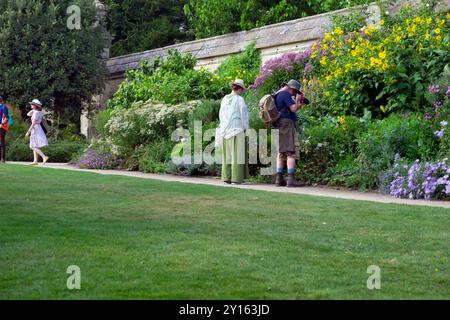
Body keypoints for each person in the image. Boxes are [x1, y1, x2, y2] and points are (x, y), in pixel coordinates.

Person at [273, 79, 308, 187]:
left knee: (281, 151)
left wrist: (299, 103)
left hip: (279, 124)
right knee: (291, 151)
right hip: (287, 124)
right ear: (292, 88)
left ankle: (279, 179)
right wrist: (297, 100)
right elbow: (293, 109)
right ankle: (291, 179)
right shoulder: (285, 94)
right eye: (295, 92)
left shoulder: (277, 94)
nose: (295, 94)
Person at [218, 79, 250, 185]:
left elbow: (221, 114)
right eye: (242, 90)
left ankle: (227, 177)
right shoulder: (239, 99)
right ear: (239, 89)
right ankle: (236, 178)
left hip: (225, 130)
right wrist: (246, 128)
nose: (242, 92)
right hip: (237, 129)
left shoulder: (224, 99)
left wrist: (222, 127)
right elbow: (244, 114)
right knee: (237, 155)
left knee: (227, 155)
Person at [25, 99, 49, 165]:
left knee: (32, 146)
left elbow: (33, 123)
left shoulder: (36, 113)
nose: (31, 105)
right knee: (35, 145)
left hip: (35, 128)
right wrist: (33, 109)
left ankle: (44, 157)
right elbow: (28, 114)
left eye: (32, 104)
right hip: (37, 128)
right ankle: (35, 161)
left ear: (35, 105)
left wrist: (28, 132)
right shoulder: (37, 112)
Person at [0, 95, 10, 163]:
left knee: (1, 142)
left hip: (1, 127)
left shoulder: (3, 107)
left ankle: (3, 158)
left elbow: (7, 117)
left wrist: (2, 124)